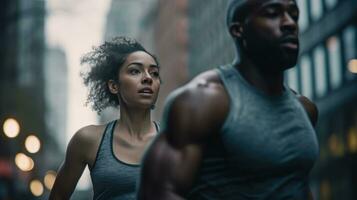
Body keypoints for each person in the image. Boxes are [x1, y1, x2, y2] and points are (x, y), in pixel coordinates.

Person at [137, 0, 319, 199]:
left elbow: (296, 185)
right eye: (272, 13)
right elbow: (157, 193)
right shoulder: (202, 101)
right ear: (238, 30)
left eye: (294, 14)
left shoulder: (305, 109)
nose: (290, 23)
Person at [49, 36, 161, 200]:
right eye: (135, 71)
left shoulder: (174, 140)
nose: (147, 78)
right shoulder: (88, 140)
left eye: (154, 73)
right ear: (114, 86)